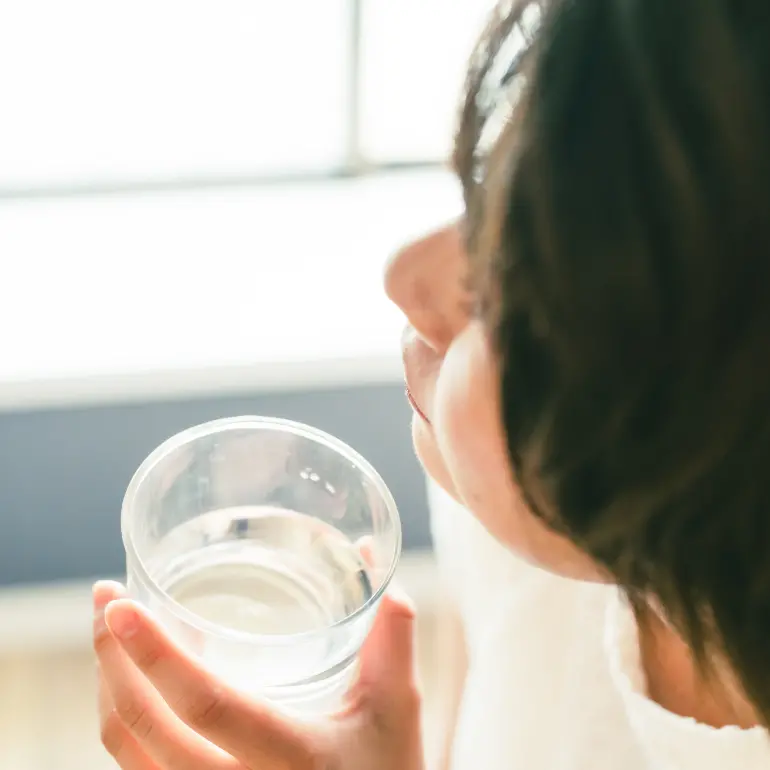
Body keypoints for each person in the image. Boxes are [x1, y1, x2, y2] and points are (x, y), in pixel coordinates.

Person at [92, 0, 770, 767]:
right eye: (493, 191)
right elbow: (497, 679)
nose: (403, 276)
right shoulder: (529, 495)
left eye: (515, 288)